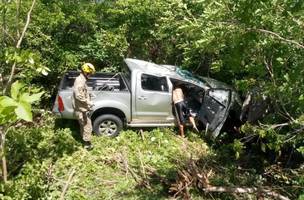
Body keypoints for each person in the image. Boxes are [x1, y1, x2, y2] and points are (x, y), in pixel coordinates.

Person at [72, 63, 96, 150]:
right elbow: (78, 96)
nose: (90, 75)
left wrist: (90, 94)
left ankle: (84, 139)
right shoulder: (80, 81)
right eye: (90, 74)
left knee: (83, 125)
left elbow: (83, 91)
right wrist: (89, 102)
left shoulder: (82, 79)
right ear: (86, 72)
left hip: (82, 108)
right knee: (87, 126)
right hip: (81, 109)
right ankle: (87, 145)